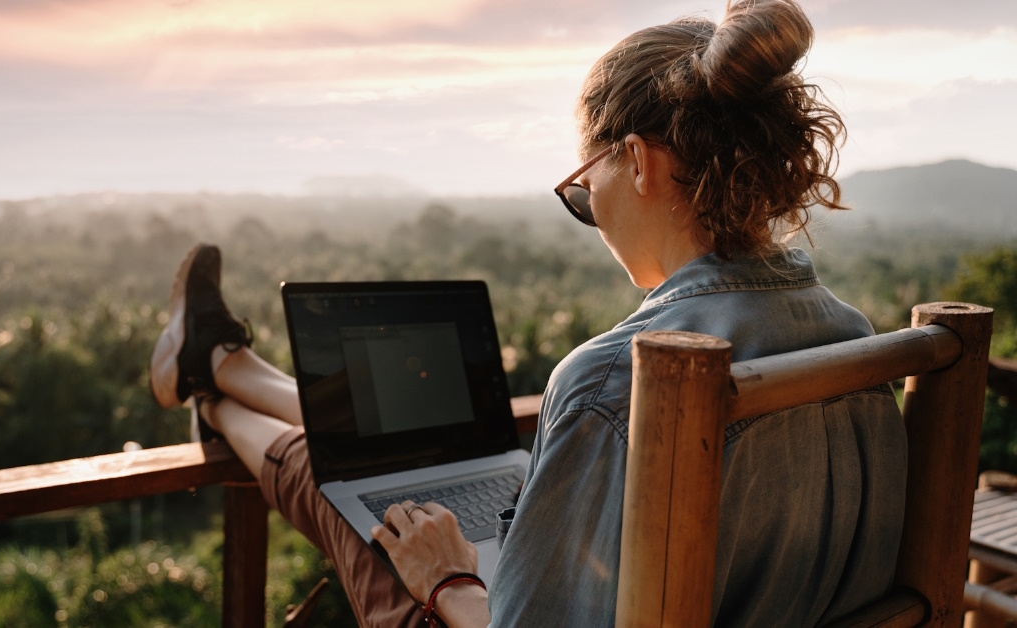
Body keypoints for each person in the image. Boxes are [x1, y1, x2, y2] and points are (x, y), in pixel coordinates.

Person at [149, 0, 907, 625]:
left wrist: (448, 579)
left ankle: (214, 387)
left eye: (584, 188)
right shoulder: (856, 342)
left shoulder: (619, 380)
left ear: (639, 162)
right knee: (378, 465)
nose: (591, 212)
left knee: (358, 499)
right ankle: (221, 368)